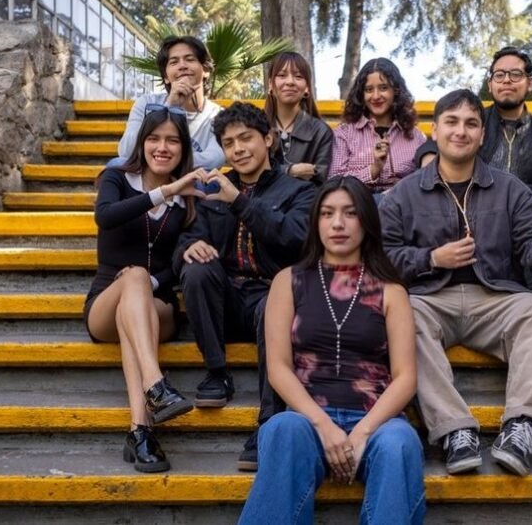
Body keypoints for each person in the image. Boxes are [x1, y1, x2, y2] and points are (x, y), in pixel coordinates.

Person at [379, 89, 532, 477]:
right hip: (430, 298)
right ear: (435, 131)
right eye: (451, 122)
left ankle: (521, 426)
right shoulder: (404, 193)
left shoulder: (510, 187)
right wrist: (431, 258)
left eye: (471, 124)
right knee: (401, 314)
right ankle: (455, 431)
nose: (460, 131)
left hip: (494, 297)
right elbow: (382, 256)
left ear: (482, 135)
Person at [238, 176, 425, 524]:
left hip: (376, 421)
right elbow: (278, 367)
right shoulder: (288, 281)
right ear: (316, 222)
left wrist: (362, 432)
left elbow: (405, 377)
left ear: (366, 222)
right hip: (308, 418)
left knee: (401, 442)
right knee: (281, 429)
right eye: (327, 213)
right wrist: (324, 426)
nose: (337, 223)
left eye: (350, 213)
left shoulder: (390, 290)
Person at [173, 102, 315, 471]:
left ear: (267, 139)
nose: (238, 149)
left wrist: (239, 202)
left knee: (277, 303)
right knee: (197, 269)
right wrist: (190, 246)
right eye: (229, 142)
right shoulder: (211, 187)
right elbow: (183, 240)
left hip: (274, 299)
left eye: (246, 138)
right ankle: (217, 373)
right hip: (227, 301)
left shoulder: (300, 191)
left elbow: (294, 239)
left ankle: (269, 422)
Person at [85, 106, 208, 472]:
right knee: (132, 278)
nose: (162, 147)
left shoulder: (192, 197)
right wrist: (164, 192)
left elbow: (183, 258)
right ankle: (156, 385)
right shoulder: (116, 178)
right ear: (142, 142)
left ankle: (140, 430)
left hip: (159, 306)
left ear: (184, 149)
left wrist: (151, 283)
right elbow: (105, 217)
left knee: (138, 286)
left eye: (172, 140)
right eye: (154, 138)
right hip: (106, 300)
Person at [414, 47, 532, 200]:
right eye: (499, 75)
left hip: (528, 211)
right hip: (474, 209)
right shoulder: (474, 121)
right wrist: (429, 156)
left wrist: (516, 194)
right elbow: (434, 143)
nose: (506, 80)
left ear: (530, 83)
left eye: (515, 74)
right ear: (490, 84)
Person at [117, 35, 224, 170]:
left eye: (190, 59)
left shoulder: (218, 115)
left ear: (206, 70)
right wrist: (169, 106)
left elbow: (215, 159)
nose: (182, 66)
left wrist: (166, 160)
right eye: (174, 62)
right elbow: (126, 151)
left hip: (192, 181)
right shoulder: (146, 103)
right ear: (166, 77)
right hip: (150, 179)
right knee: (115, 166)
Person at [328, 58, 426, 195]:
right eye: (368, 89)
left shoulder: (414, 136)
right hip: (358, 206)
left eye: (383, 88)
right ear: (361, 94)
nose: (375, 96)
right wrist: (373, 170)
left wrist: (402, 186)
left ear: (396, 90)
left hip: (403, 206)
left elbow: (425, 177)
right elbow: (334, 181)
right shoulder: (344, 133)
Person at [264, 51, 334, 185]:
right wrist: (289, 171)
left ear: (307, 87)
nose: (290, 82)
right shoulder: (257, 127)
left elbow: (322, 178)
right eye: (282, 75)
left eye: (298, 76)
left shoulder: (321, 132)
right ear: (271, 84)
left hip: (305, 202)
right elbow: (249, 171)